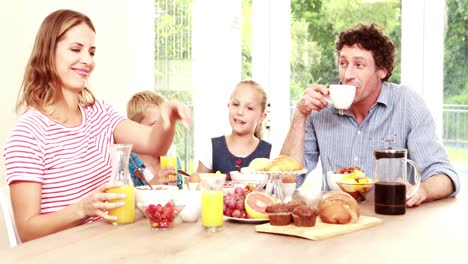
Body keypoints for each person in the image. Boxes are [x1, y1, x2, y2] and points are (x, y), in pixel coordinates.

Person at [2, 9, 191, 242]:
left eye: (91, 52)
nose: (87, 60)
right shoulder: (27, 134)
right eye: (75, 49)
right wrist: (82, 208)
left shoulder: (99, 113)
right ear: (48, 54)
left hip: (111, 243)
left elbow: (155, 144)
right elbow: (27, 230)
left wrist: (167, 119)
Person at [280, 23, 460, 207]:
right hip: (338, 218)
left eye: (359, 65)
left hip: (391, 218)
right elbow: (285, 180)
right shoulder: (320, 108)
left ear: (382, 70)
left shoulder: (406, 103)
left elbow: (444, 175)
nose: (348, 74)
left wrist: (422, 190)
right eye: (343, 63)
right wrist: (300, 115)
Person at [195, 80, 272, 175]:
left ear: (261, 117)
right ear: (229, 106)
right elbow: (197, 185)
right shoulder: (211, 147)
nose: (240, 112)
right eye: (236, 104)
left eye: (249, 108)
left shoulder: (270, 153)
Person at [126, 90, 182, 187]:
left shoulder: (173, 160)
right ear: (135, 127)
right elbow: (125, 200)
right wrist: (152, 186)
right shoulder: (127, 164)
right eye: (155, 125)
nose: (164, 130)